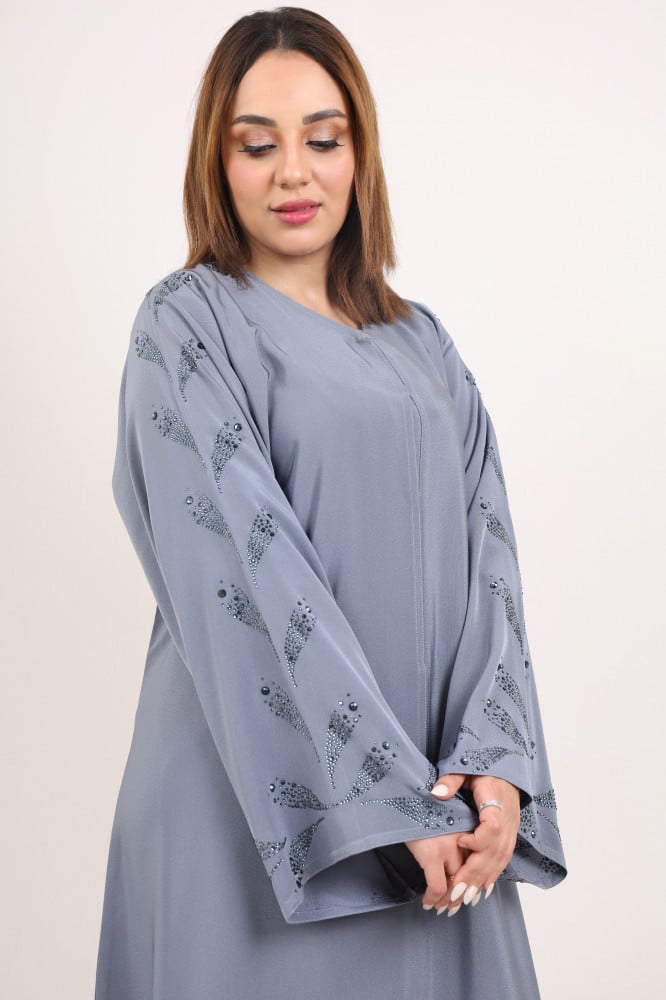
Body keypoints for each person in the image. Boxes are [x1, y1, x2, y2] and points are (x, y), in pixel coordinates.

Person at [95, 7, 566, 999]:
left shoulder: (421, 341)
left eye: (323, 138)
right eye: (257, 144)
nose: (294, 173)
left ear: (360, 152)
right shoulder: (185, 326)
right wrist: (383, 798)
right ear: (216, 162)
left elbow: (491, 559)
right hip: (250, 821)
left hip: (439, 804)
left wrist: (495, 771)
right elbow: (247, 573)